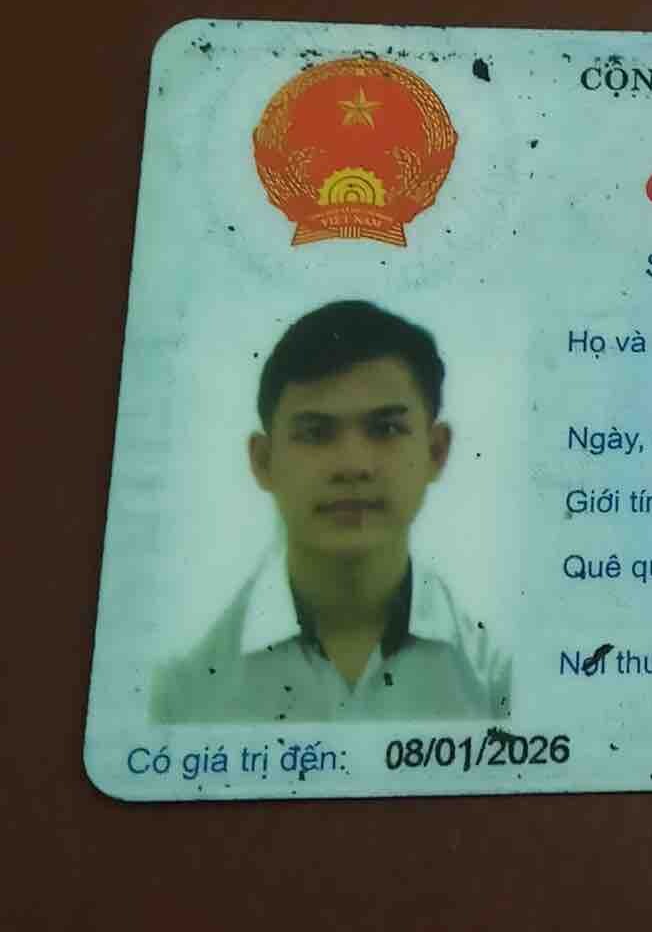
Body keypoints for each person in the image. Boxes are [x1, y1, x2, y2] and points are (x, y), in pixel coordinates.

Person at [152, 300, 511, 724]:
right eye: (315, 433)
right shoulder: (181, 693)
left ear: (436, 451)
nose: (352, 465)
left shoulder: (500, 679)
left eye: (386, 429)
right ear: (263, 461)